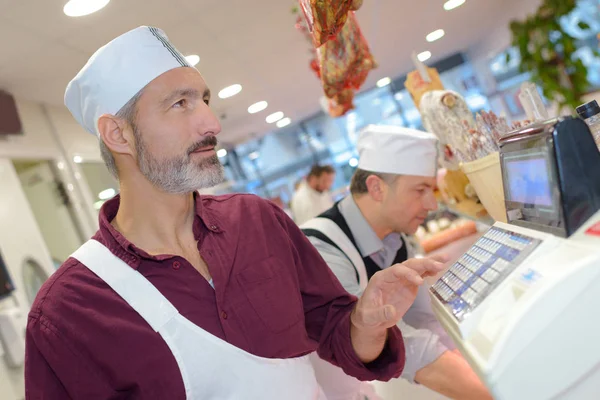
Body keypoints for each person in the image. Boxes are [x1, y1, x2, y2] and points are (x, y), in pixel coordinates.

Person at [24, 27, 446, 399]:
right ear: (118, 134)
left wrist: (366, 323)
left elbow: (334, 332)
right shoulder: (68, 312)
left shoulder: (257, 220)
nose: (211, 122)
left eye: (204, 99)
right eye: (180, 104)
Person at [302, 125, 493, 400]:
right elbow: (402, 341)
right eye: (420, 190)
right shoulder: (322, 249)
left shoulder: (398, 240)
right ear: (377, 188)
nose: (430, 204)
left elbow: (427, 320)